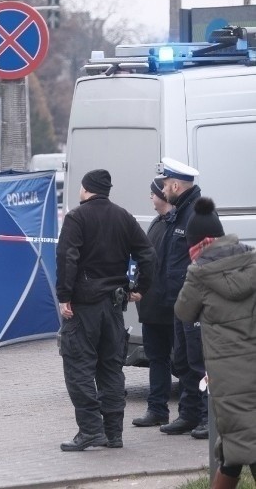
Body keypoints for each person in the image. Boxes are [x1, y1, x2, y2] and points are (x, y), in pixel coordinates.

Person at [56, 169, 155, 451]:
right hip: (114, 305)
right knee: (111, 369)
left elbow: (67, 256)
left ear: (86, 189)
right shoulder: (123, 216)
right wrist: (140, 289)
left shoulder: (77, 217)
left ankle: (90, 431)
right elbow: (148, 254)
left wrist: (64, 295)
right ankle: (114, 433)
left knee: (79, 369)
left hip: (83, 307)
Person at [174, 197, 256, 489]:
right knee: (236, 449)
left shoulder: (198, 274)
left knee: (242, 446)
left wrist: (191, 273)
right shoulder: (251, 260)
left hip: (229, 379)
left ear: (201, 243)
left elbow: (183, 311)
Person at [156, 157, 209, 439]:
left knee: (201, 362)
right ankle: (189, 415)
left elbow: (207, 263)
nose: (162, 190)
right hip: (181, 303)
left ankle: (208, 418)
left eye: (165, 185)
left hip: (196, 304)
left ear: (176, 185)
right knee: (184, 362)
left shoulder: (197, 216)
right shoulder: (181, 212)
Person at [132, 177, 179, 427]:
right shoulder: (157, 223)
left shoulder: (177, 223)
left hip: (170, 306)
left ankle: (194, 412)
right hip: (152, 306)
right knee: (157, 358)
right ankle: (157, 409)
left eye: (154, 193)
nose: (151, 197)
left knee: (183, 361)